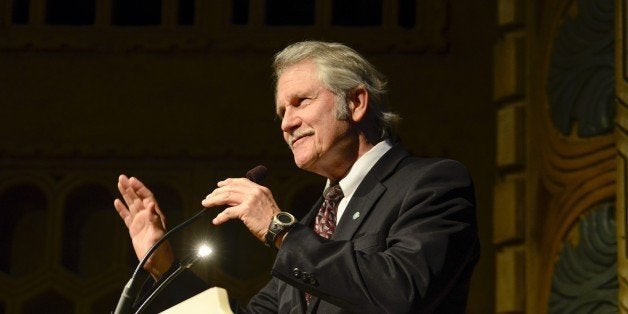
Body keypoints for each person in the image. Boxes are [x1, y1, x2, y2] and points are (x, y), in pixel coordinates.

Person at [114, 41, 480, 313]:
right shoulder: (316, 221)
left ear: (355, 102)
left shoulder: (432, 183)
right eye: (281, 112)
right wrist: (164, 267)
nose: (287, 123)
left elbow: (403, 292)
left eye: (301, 101)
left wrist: (279, 230)